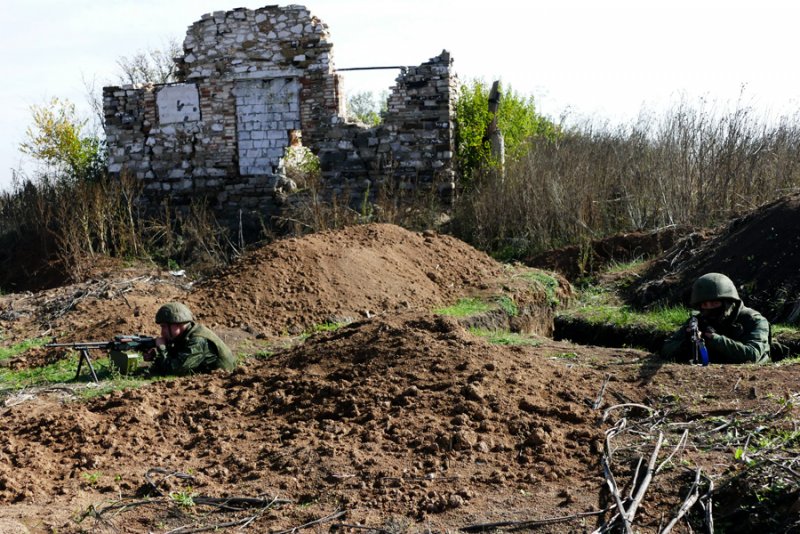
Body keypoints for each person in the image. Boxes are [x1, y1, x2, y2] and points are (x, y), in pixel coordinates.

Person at [661, 273, 770, 364]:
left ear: (727, 302)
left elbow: (752, 355)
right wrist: (686, 343)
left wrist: (714, 339)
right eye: (704, 304)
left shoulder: (753, 320)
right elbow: (666, 348)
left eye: (714, 303)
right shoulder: (699, 320)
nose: (709, 308)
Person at [145, 302, 237, 375]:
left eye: (164, 327)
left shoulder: (197, 340)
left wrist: (162, 348)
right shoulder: (188, 333)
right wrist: (157, 355)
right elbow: (178, 356)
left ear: (177, 324)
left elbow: (175, 370)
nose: (162, 332)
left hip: (221, 382)